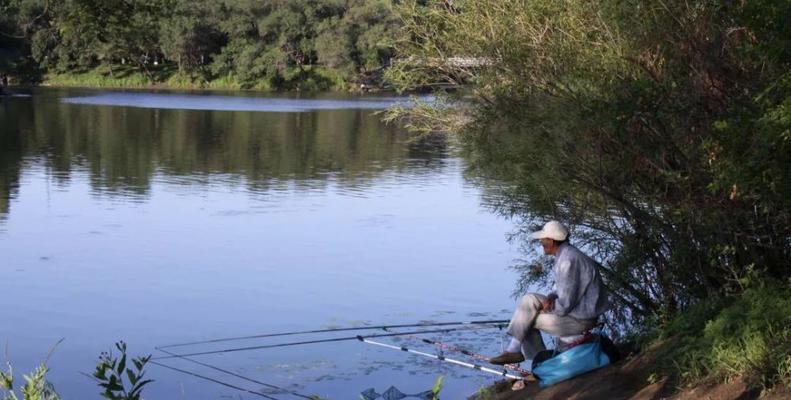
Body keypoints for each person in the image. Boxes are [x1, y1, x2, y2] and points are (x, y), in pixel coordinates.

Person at [490, 220, 610, 365]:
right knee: (529, 300)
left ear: (551, 241)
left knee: (528, 321)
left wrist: (545, 311)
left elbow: (565, 305)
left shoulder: (569, 260)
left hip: (581, 319)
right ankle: (513, 350)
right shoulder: (565, 254)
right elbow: (560, 288)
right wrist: (551, 297)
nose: (541, 241)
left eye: (543, 239)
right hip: (573, 312)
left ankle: (539, 363)